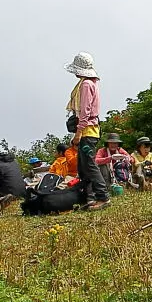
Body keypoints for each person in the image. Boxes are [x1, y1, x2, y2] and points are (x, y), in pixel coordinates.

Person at [65, 52, 110, 209]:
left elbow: (85, 111)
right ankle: (88, 198)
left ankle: (102, 197)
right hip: (91, 130)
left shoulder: (85, 85)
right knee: (83, 167)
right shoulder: (92, 83)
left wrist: (78, 134)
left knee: (89, 165)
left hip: (87, 132)